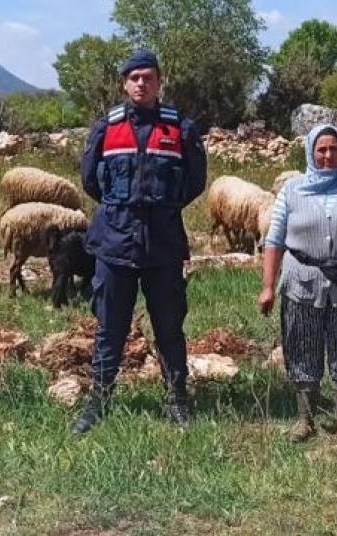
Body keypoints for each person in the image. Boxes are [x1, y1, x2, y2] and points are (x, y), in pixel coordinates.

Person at [71, 49, 208, 434]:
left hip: (163, 245)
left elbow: (195, 181)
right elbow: (90, 181)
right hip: (115, 244)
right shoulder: (107, 127)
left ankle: (177, 398)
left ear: (159, 82)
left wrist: (162, 208)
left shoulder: (180, 128)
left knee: (169, 326)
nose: (141, 83)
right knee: (109, 328)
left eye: (148, 77)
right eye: (134, 77)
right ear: (124, 84)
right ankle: (99, 400)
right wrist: (123, 209)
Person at [257, 124, 337, 446]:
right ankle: (305, 420)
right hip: (301, 283)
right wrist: (268, 286)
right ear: (310, 152)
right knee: (301, 347)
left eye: (334, 149)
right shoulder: (292, 191)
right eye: (321, 149)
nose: (328, 155)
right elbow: (274, 240)